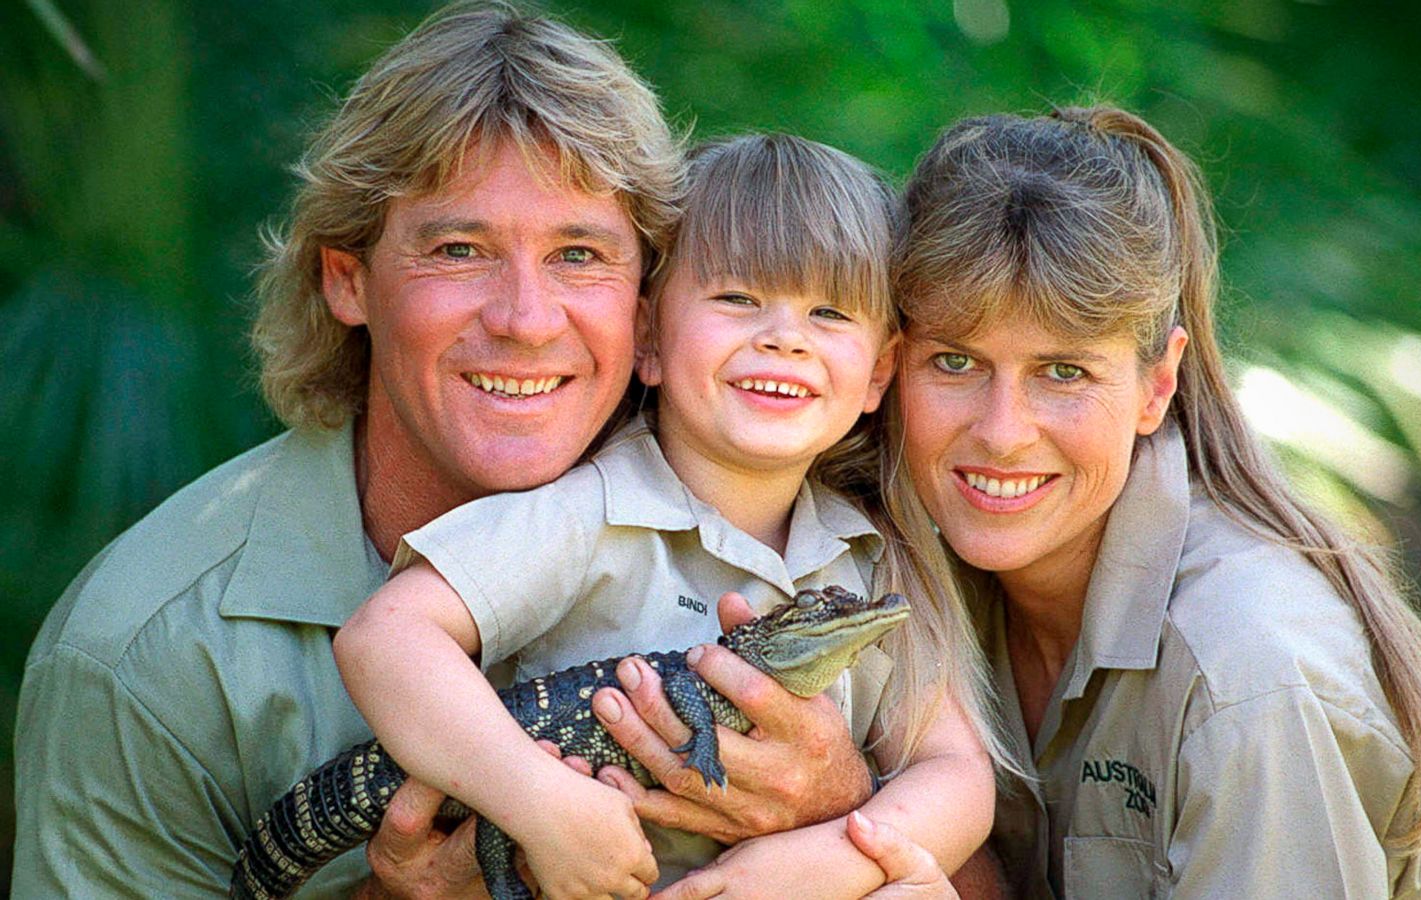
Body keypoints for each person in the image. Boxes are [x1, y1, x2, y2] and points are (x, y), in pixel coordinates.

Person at [11, 5, 874, 896]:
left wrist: (843, 799)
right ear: (348, 281)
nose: (527, 322)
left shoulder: (791, 510)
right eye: (460, 250)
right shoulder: (142, 654)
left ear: (645, 303)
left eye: (580, 255)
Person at [334, 133, 1005, 898]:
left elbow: (956, 773)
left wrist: (835, 862)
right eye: (737, 299)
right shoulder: (585, 512)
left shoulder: (875, 556)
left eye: (828, 311)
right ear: (648, 338)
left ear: (877, 374)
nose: (784, 337)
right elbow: (385, 638)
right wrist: (540, 802)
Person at [862, 105, 1421, 897]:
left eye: (1064, 373)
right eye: (955, 362)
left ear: (1156, 385)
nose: (1002, 433)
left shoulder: (1251, 678)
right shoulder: (890, 582)